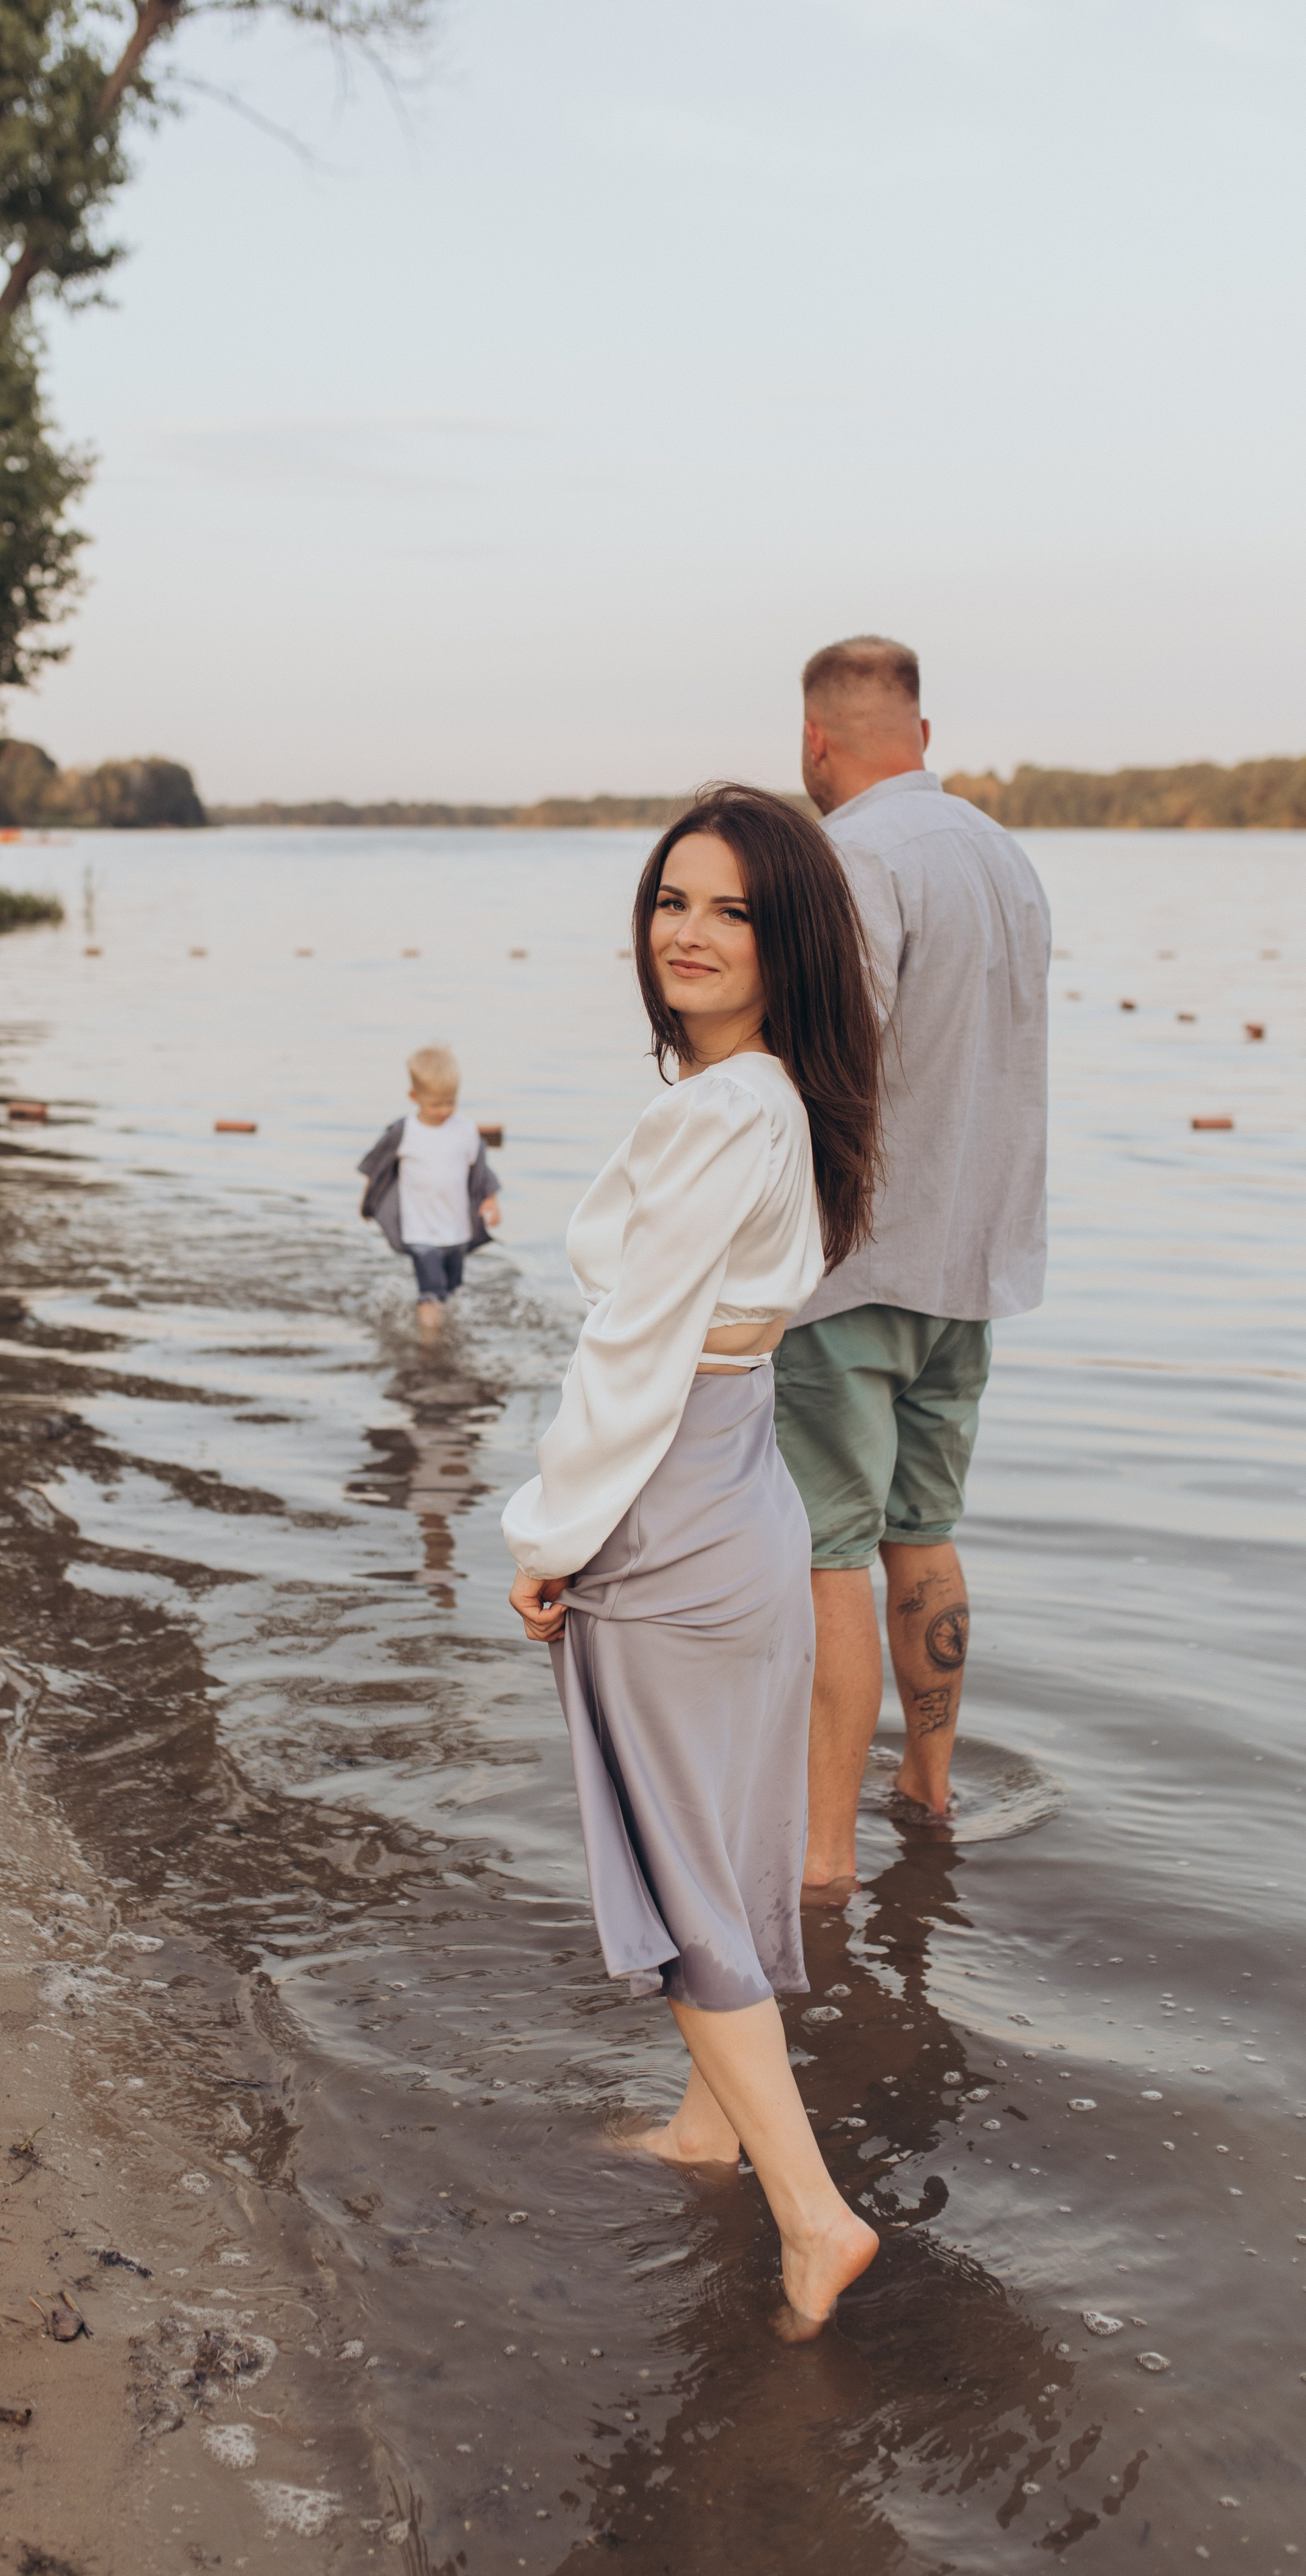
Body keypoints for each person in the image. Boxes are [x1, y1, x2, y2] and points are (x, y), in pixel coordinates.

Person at [502, 785, 885, 2337]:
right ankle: (706, 2127)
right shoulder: (777, 1099)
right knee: (723, 1846)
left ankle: (812, 2212)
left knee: (673, 1881)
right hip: (743, 1499)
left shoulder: (717, 1111)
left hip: (668, 1513)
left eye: (729, 908)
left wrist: (544, 1536)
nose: (687, 931)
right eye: (671, 899)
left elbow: (631, 1356)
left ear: (785, 938)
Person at [775, 635, 1051, 1899]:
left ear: (818, 744)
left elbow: (843, 1052)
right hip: (975, 1261)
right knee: (924, 1536)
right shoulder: (1008, 857)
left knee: (832, 1553)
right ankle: (928, 1794)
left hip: (859, 1263)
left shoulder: (851, 857)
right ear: (922, 737)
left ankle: (824, 1858)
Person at [358, 1045, 500, 1338]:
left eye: (451, 1102)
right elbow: (378, 1167)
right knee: (431, 1291)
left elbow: (481, 1170)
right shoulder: (404, 1131)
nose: (444, 1110)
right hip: (420, 1229)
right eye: (435, 1104)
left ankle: (447, 1332)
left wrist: (491, 1200)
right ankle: (429, 1344)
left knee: (453, 1289)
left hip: (457, 1228)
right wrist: (368, 1203)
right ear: (415, 1097)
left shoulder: (466, 1130)